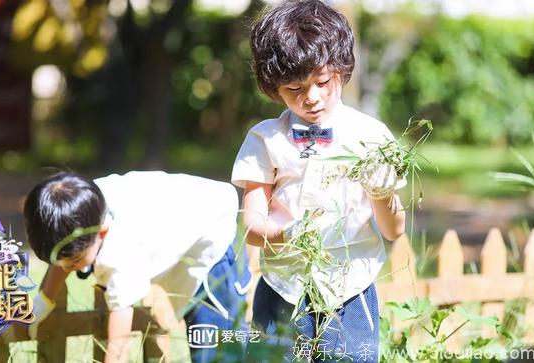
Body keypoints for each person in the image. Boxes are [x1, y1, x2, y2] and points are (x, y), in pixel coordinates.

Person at [231, 1, 406, 361]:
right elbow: (252, 228)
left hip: (350, 290)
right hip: (283, 288)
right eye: (294, 89)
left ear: (341, 69)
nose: (311, 98)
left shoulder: (371, 136)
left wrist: (383, 192)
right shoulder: (265, 140)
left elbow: (393, 230)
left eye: (322, 82)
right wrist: (288, 234)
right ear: (273, 87)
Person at [24, 171, 251, 363]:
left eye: (74, 262)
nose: (67, 268)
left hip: (216, 237)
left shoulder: (121, 252)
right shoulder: (81, 204)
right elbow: (63, 256)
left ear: (101, 233)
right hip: (176, 221)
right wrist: (42, 303)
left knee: (214, 342)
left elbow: (118, 343)